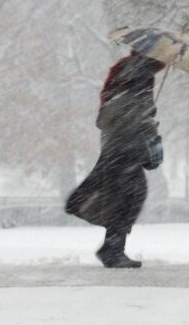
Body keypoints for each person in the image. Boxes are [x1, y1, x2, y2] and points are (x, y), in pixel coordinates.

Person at [65, 51, 166, 268]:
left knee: (123, 198)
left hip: (116, 146)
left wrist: (145, 115)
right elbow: (135, 109)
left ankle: (112, 248)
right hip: (126, 147)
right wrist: (147, 121)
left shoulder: (127, 70)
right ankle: (112, 250)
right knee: (128, 198)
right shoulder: (142, 72)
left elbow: (113, 111)